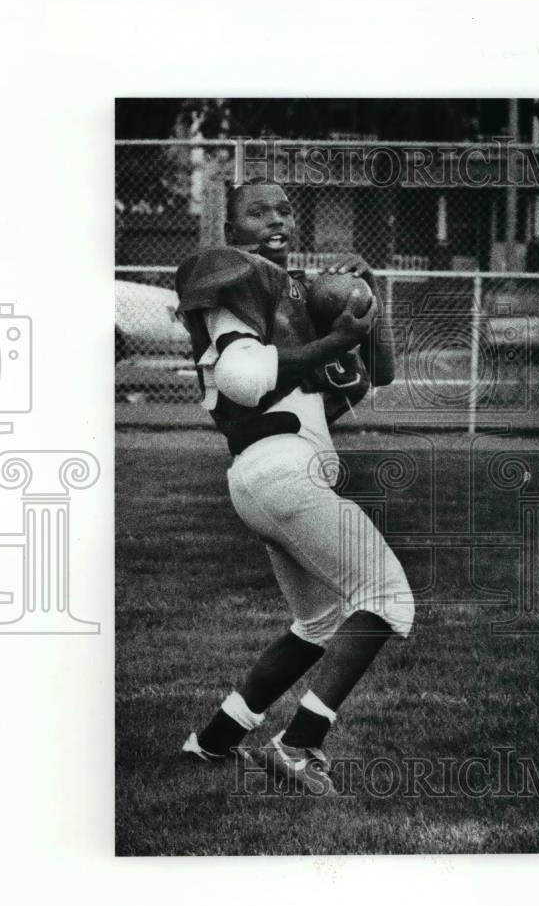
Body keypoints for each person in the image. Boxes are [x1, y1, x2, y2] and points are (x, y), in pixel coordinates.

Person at [175, 180, 414, 793]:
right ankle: (297, 744)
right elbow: (245, 378)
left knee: (319, 621)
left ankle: (214, 741)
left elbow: (377, 375)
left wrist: (368, 299)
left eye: (284, 209)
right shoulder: (232, 277)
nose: (275, 220)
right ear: (230, 231)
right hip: (282, 470)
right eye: (257, 212)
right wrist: (332, 341)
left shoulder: (294, 295)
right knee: (388, 599)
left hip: (266, 476)